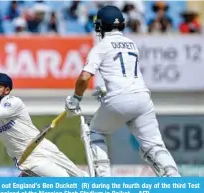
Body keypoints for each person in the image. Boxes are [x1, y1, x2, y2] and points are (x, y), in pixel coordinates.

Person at [64, 5, 180, 177]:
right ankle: (173, 177)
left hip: (118, 100)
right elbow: (124, 73)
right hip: (142, 98)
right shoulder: (132, 44)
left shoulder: (101, 46)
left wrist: (75, 100)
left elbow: (83, 78)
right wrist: (106, 89)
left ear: (101, 26)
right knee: (154, 145)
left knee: (94, 131)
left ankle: (103, 178)